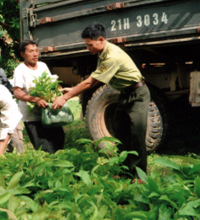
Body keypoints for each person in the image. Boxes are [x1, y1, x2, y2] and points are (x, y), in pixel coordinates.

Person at [52, 22, 150, 178]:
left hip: (137, 95)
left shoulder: (112, 56)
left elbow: (90, 82)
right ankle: (125, 171)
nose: (88, 48)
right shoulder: (102, 54)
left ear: (101, 39)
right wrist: (75, 90)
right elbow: (98, 79)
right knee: (122, 134)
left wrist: (65, 97)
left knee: (137, 136)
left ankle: (140, 176)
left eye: (90, 45)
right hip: (124, 94)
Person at [13, 40, 65, 154]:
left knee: (58, 143)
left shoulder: (43, 66)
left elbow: (51, 83)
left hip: (49, 114)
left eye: (37, 51)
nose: (35, 54)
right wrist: (35, 99)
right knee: (44, 148)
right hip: (33, 117)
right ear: (22, 54)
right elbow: (16, 92)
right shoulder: (20, 70)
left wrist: (57, 93)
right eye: (31, 51)